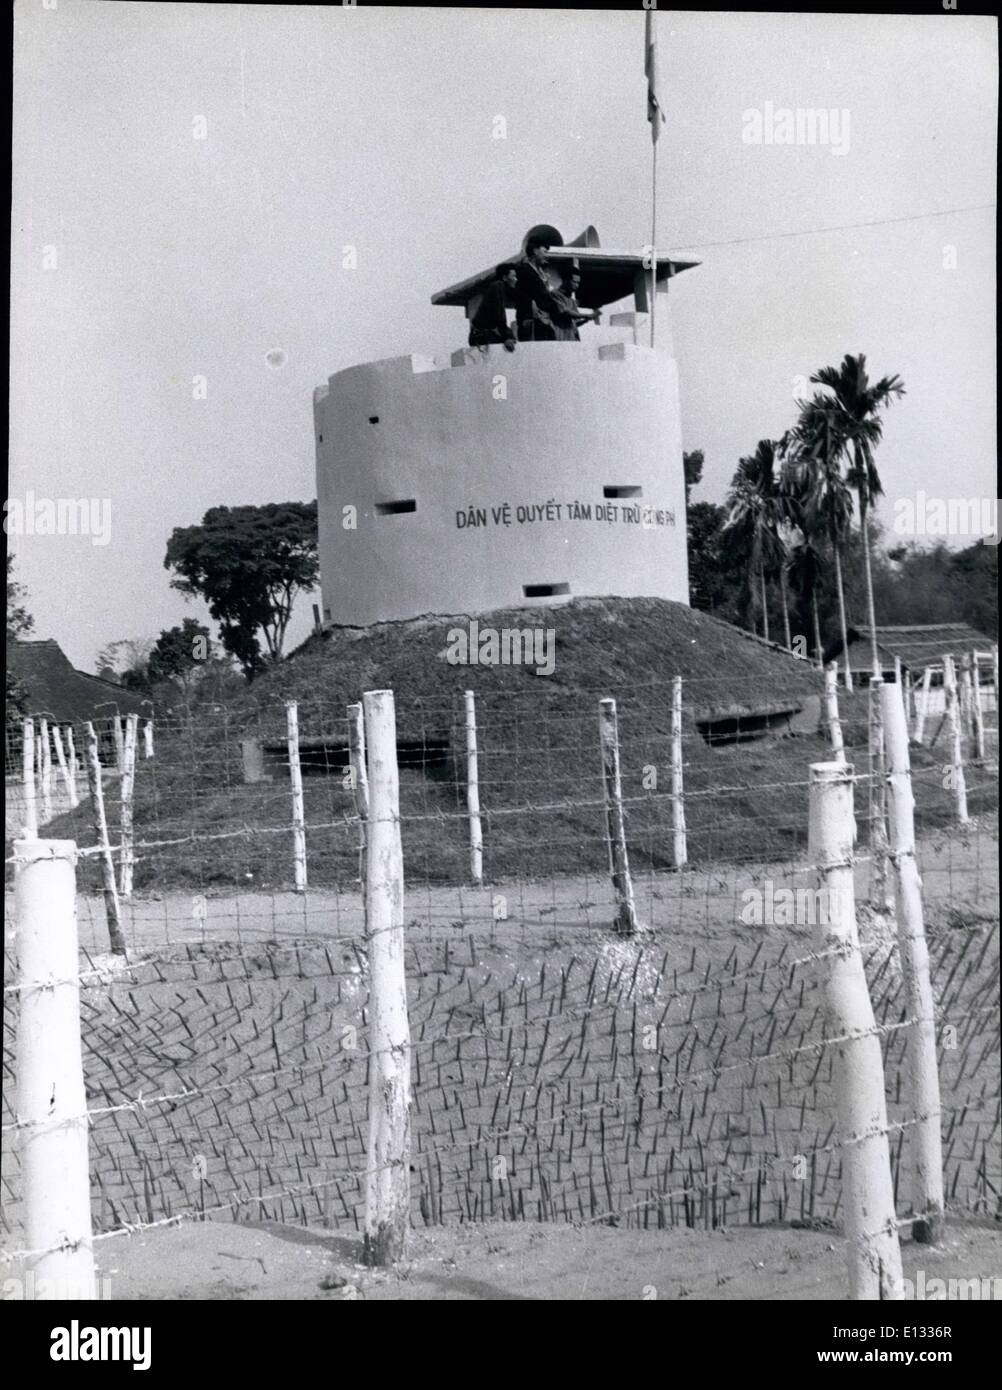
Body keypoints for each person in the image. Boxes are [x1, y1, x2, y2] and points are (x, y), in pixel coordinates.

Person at [514, 239, 560, 341]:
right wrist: (530, 305)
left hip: (545, 321)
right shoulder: (523, 270)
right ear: (535, 251)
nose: (546, 255)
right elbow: (517, 293)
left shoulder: (542, 273)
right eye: (544, 252)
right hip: (531, 321)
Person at [468, 264, 518, 351]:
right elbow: (499, 314)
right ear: (505, 278)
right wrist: (506, 337)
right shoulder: (498, 286)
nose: (516, 279)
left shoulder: (499, 288)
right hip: (480, 336)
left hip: (483, 334)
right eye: (513, 276)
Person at [550, 268, 602, 342]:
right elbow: (565, 312)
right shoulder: (555, 294)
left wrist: (587, 319)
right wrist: (587, 315)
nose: (576, 285)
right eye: (574, 282)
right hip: (560, 336)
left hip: (572, 337)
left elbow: (575, 322)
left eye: (578, 283)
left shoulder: (571, 300)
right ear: (565, 281)